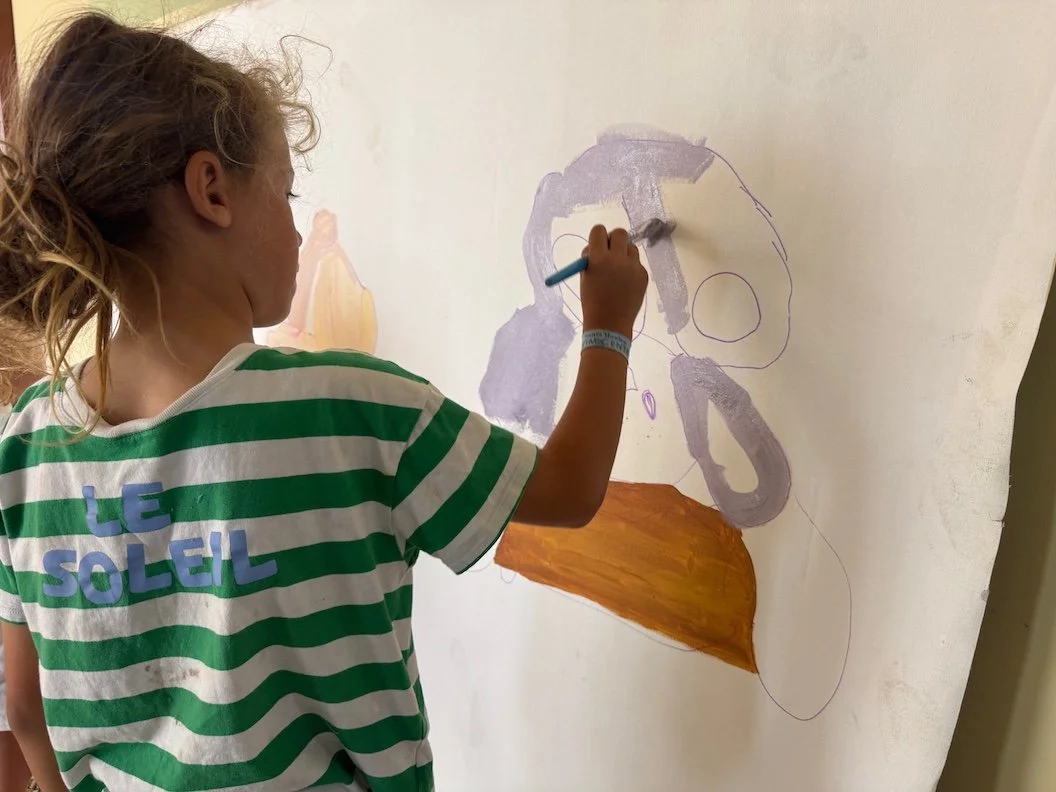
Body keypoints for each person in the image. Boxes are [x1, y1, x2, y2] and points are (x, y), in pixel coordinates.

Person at [0, 11, 647, 792]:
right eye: (285, 192)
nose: (299, 230)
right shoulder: (353, 409)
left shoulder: (24, 449)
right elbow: (571, 490)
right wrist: (608, 325)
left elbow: (26, 708)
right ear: (211, 190)